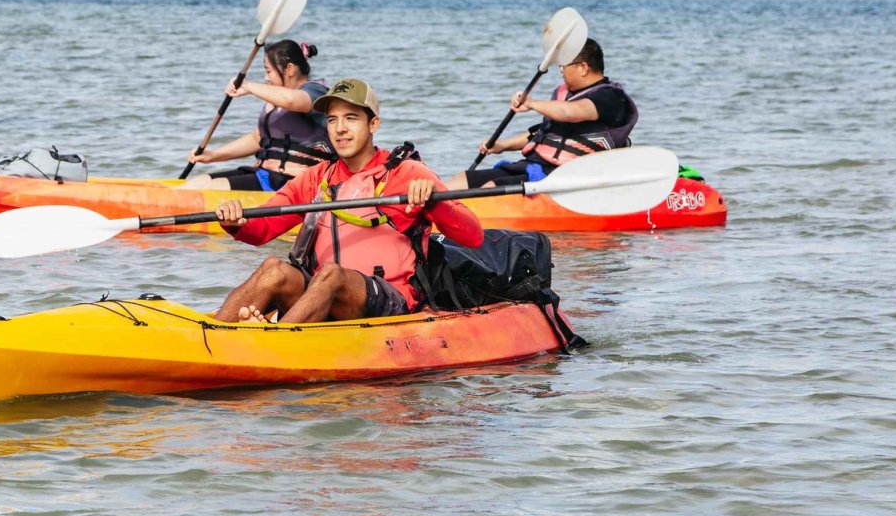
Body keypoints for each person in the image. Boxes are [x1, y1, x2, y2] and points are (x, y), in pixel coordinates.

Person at [212, 77, 483, 324]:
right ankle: (214, 335)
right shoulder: (316, 178)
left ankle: (275, 341)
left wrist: (434, 202)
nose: (340, 129)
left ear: (373, 124)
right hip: (323, 294)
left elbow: (473, 236)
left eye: (351, 118)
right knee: (274, 269)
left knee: (332, 274)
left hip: (391, 300)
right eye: (332, 120)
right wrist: (235, 222)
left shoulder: (408, 173)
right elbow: (259, 230)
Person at [452, 38, 639, 189]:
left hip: (562, 177)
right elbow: (542, 135)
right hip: (532, 166)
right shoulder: (565, 95)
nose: (560, 72)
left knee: (490, 188)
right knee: (463, 180)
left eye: (563, 66)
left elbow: (570, 113)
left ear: (583, 67)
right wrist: (501, 145)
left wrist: (532, 103)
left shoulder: (611, 98)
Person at [183, 40, 334, 191]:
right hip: (264, 174)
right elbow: (257, 139)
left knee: (213, 188)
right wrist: (213, 156)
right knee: (199, 182)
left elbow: (292, 100)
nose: (266, 78)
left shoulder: (316, 91)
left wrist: (248, 86)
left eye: (268, 71)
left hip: (294, 183)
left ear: (289, 69)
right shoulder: (274, 99)